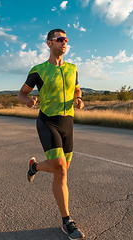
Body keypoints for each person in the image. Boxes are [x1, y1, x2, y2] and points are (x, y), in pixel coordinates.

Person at [17, 29, 85, 240]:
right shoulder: (39, 70)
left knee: (61, 169)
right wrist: (27, 101)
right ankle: (67, 222)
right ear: (49, 43)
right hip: (48, 121)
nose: (64, 43)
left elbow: (76, 89)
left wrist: (79, 99)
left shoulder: (73, 68)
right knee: (61, 169)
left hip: (68, 122)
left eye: (66, 40)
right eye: (59, 39)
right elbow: (21, 93)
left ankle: (34, 166)